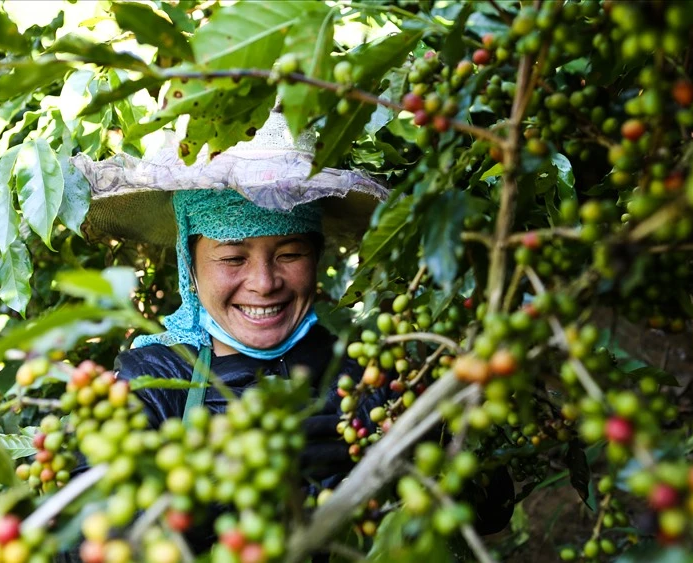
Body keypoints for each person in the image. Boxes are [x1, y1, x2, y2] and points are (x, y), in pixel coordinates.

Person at [72, 108, 513, 553]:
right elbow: (81, 543)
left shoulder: (366, 374)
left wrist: (435, 432)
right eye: (232, 258)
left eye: (289, 254)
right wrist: (224, 490)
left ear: (316, 258)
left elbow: (488, 516)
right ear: (191, 265)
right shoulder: (149, 382)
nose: (264, 283)